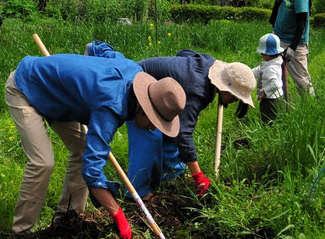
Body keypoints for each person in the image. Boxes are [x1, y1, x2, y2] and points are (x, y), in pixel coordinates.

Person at [4, 52, 185, 239]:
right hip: (26, 86)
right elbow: (92, 172)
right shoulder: (111, 106)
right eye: (154, 121)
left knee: (83, 151)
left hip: (59, 99)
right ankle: (20, 234)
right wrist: (118, 215)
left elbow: (99, 48)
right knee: (43, 162)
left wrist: (82, 88)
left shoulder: (134, 70)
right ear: (142, 108)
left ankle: (67, 219)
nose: (153, 127)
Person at [85, 41, 254, 199]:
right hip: (137, 89)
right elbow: (185, 135)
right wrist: (198, 176)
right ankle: (137, 191)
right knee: (150, 139)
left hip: (159, 92)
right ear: (226, 87)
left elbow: (184, 53)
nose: (235, 101)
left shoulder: (209, 65)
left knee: (170, 130)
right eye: (235, 97)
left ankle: (171, 173)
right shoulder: (197, 91)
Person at [269, 0, 315, 97]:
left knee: (302, 81)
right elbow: (277, 3)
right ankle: (280, 109)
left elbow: (302, 21)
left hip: (296, 43)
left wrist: (293, 48)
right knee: (275, 76)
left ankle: (311, 107)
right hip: (279, 37)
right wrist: (273, 24)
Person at [252, 33, 285, 125]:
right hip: (273, 98)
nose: (261, 55)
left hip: (270, 100)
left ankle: (268, 134)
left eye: (262, 53)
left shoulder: (271, 68)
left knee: (268, 119)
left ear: (268, 54)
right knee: (274, 118)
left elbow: (276, 84)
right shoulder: (271, 63)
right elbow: (259, 69)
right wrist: (249, 73)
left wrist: (264, 92)